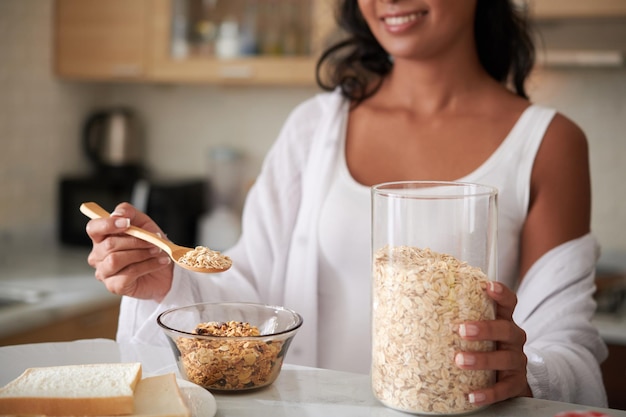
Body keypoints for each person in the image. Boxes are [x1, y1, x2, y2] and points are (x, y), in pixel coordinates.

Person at [85, 0, 608, 408]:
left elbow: (568, 349)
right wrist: (167, 283)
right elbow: (253, 301)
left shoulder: (547, 143)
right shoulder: (315, 127)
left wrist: (529, 372)